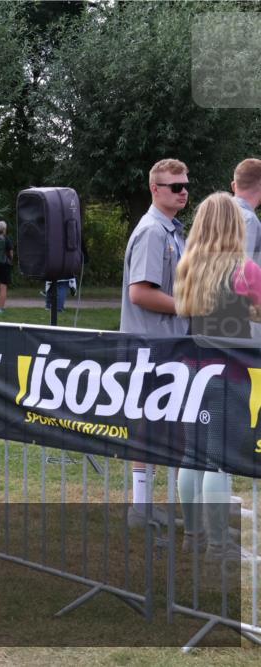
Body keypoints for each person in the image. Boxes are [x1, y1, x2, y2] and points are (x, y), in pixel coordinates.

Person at [174, 192, 261, 561]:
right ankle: (218, 544)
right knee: (219, 460)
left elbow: (184, 311)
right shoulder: (246, 270)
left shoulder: (188, 265)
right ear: (234, 226)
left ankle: (193, 535)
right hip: (229, 373)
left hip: (191, 371)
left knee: (192, 455)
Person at [120, 159, 190, 529]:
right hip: (151, 346)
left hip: (169, 345)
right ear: (155, 189)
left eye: (185, 185)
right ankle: (140, 508)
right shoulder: (152, 232)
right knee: (147, 426)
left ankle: (154, 507)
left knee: (169, 428)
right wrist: (188, 306)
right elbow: (140, 293)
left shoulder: (173, 230)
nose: (183, 192)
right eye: (175, 186)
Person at [231, 158, 261, 339]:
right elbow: (241, 276)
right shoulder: (248, 220)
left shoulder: (213, 214)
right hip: (245, 325)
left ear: (234, 185)